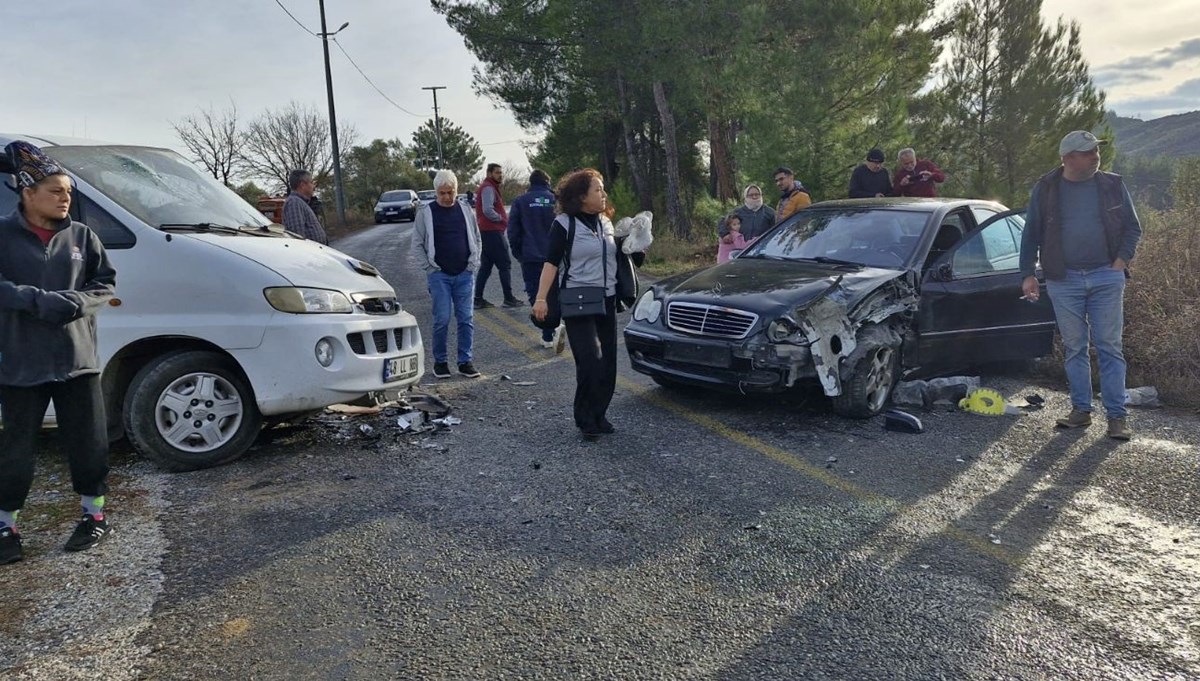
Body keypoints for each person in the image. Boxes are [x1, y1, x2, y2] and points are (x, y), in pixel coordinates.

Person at [0, 141, 118, 565]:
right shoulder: (3, 234)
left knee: (88, 442)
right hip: (20, 362)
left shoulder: (83, 237)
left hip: (76, 360)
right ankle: (6, 526)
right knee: (15, 447)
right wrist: (35, 300)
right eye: (55, 190)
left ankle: (94, 515)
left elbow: (104, 284)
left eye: (68, 191)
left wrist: (74, 303)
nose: (65, 198)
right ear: (27, 192)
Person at [1019, 130, 1142, 440]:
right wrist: (1027, 274)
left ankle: (1117, 417)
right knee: (1075, 348)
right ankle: (1081, 411)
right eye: (1088, 152)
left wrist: (1120, 262)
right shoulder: (1046, 188)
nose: (1095, 155)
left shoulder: (1112, 184)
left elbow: (1133, 227)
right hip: (1063, 278)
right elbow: (1031, 233)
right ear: (1069, 158)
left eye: (1095, 151)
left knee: (1110, 347)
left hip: (1106, 276)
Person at [532, 169, 643, 440]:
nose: (604, 194)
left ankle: (600, 414)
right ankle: (585, 418)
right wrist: (541, 298)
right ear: (582, 196)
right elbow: (551, 263)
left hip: (607, 298)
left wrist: (638, 247)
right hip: (578, 300)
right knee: (590, 360)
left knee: (608, 363)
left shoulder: (606, 224)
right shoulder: (564, 224)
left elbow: (622, 258)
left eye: (603, 189)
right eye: (598, 190)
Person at [411, 170, 483, 380]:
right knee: (441, 319)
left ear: (456, 191)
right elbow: (417, 243)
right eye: (442, 193)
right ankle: (440, 362)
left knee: (466, 318)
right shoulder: (426, 212)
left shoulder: (465, 209)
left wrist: (473, 264)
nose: (446, 197)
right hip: (439, 275)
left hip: (464, 274)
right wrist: (429, 267)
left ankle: (465, 362)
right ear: (436, 192)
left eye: (450, 192)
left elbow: (476, 238)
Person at [508, 169, 566, 350]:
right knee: (556, 293)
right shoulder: (557, 199)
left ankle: (547, 333)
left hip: (531, 257)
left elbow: (513, 232)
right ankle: (557, 326)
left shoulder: (520, 201)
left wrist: (519, 254)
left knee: (537, 295)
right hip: (556, 257)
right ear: (547, 182)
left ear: (530, 183)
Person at [473, 163, 522, 309]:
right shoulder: (488, 187)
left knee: (486, 267)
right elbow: (488, 210)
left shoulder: (490, 187)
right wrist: (501, 218)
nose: (500, 175)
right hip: (492, 232)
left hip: (487, 232)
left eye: (501, 172)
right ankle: (508, 298)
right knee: (505, 264)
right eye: (497, 173)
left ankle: (477, 298)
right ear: (489, 174)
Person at [281, 169, 329, 244]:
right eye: (311, 182)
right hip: (310, 253)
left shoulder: (301, 202)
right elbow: (297, 237)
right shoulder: (294, 203)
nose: (313, 186)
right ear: (302, 185)